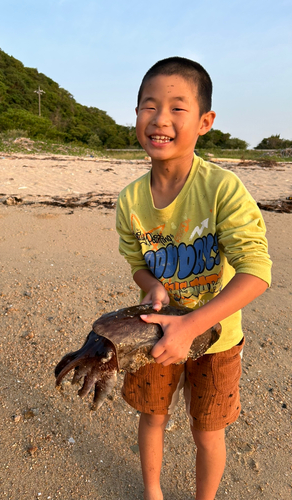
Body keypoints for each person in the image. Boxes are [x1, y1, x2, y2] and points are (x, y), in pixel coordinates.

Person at [115, 57, 272, 500]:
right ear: (137, 115)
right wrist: (151, 285)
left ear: (205, 121)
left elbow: (257, 273)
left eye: (177, 108)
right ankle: (153, 493)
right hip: (154, 336)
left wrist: (192, 325)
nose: (160, 119)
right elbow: (136, 259)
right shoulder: (129, 199)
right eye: (148, 106)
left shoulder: (222, 189)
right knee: (152, 417)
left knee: (208, 432)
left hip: (217, 341)